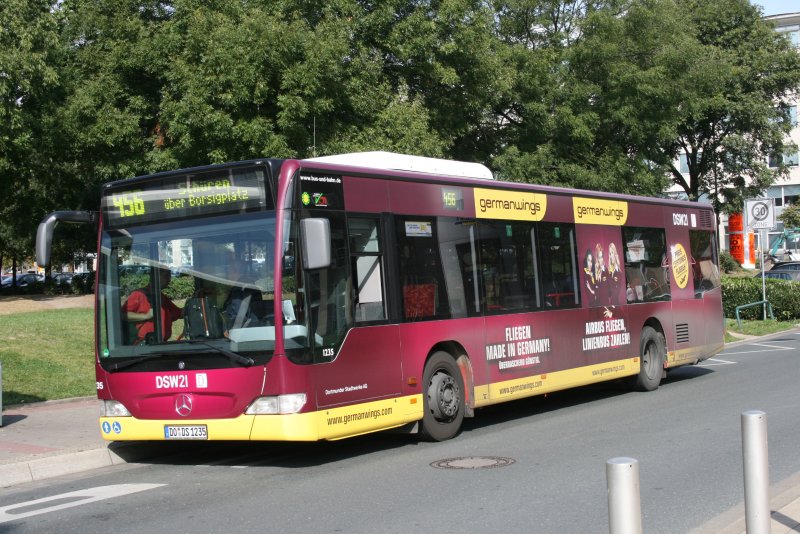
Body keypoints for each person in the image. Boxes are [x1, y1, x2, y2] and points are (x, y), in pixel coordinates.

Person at [122, 267, 183, 344]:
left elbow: (180, 313)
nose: (169, 279)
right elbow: (123, 315)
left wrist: (196, 300)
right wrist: (146, 316)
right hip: (144, 346)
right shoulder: (139, 294)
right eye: (166, 276)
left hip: (161, 344)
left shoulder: (161, 297)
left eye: (169, 276)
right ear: (156, 276)